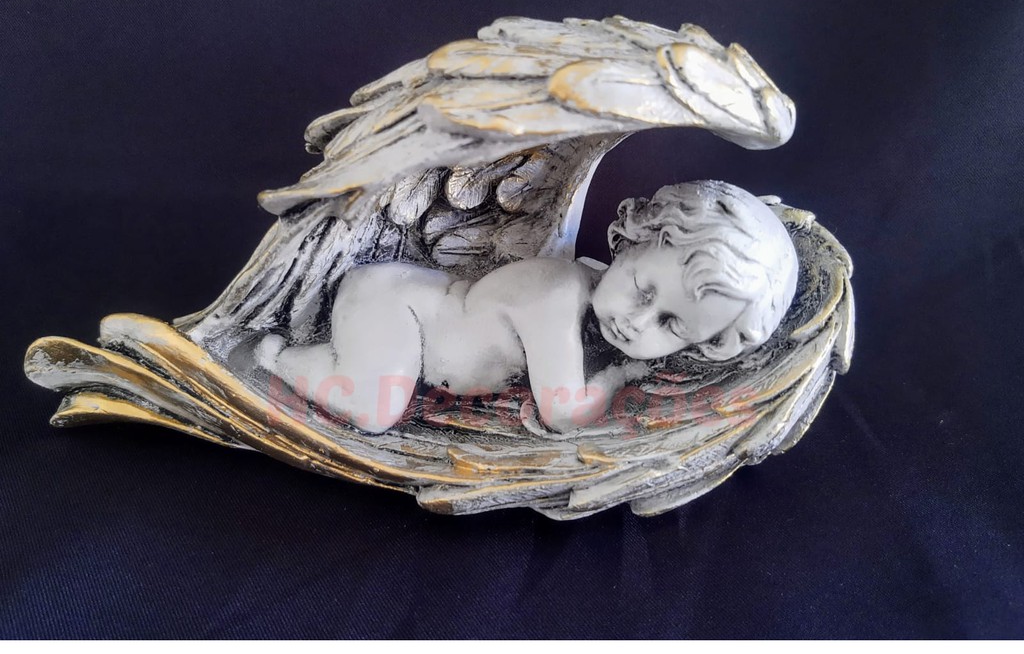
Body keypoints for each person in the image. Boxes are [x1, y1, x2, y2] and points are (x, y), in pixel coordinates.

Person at [257, 181, 799, 435]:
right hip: (398, 309)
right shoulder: (557, 295)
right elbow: (563, 413)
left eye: (672, 325)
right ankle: (278, 357)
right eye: (642, 289)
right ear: (629, 243)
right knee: (374, 412)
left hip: (415, 309)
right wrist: (619, 377)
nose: (637, 322)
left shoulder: (596, 303)